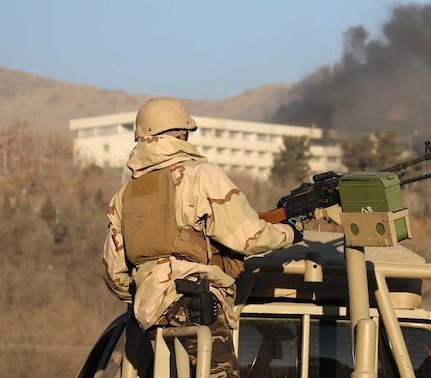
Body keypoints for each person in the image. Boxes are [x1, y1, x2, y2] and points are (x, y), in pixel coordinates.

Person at [102, 97, 304, 378]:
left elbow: (114, 275)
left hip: (150, 317)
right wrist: (291, 231)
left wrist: (148, 290)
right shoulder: (201, 176)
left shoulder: (123, 196)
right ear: (182, 134)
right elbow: (248, 236)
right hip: (195, 304)